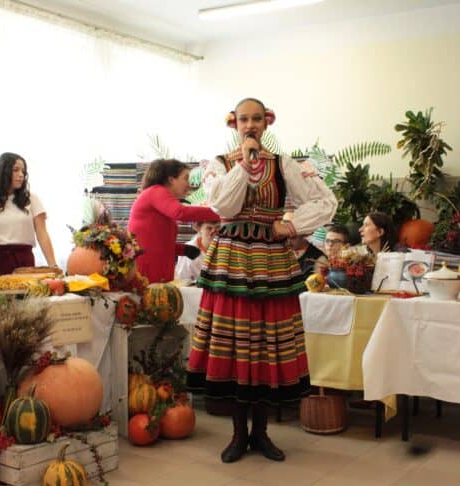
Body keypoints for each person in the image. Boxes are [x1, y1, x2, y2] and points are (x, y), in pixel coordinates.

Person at [187, 98, 336, 463]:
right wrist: (244, 162)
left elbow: (326, 201)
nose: (250, 125)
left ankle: (263, 434)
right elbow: (223, 206)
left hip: (271, 261)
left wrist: (293, 225)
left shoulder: (285, 165)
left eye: (256, 119)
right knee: (237, 345)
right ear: (233, 125)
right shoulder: (219, 166)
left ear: (267, 123)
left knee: (268, 343)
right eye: (243, 120)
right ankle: (238, 435)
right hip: (233, 261)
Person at [128, 159, 220, 284]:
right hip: (147, 271)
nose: (189, 184)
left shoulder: (160, 200)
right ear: (171, 180)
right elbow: (181, 213)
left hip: (158, 272)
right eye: (186, 178)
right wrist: (218, 212)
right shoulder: (156, 191)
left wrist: (183, 250)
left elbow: (157, 241)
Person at [0, 153, 57, 275]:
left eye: (23, 171)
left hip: (24, 261)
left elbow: (42, 233)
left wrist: (53, 266)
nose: (21, 175)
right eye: (15, 170)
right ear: (3, 172)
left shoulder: (31, 199)